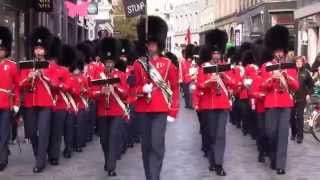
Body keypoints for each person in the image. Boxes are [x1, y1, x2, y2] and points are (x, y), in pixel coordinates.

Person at [132, 16, 180, 180]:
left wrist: (173, 111)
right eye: (148, 43)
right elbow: (131, 89)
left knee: (156, 144)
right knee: (146, 146)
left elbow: (174, 88)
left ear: (158, 44)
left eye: (153, 43)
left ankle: (155, 176)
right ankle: (150, 176)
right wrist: (141, 89)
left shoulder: (167, 64)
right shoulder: (138, 64)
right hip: (143, 109)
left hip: (160, 109)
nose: (151, 46)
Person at [195, 29, 237, 176]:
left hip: (223, 105)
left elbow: (234, 84)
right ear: (210, 54)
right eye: (214, 53)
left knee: (220, 134)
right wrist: (209, 82)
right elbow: (199, 85)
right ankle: (212, 160)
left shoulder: (226, 67)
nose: (216, 56)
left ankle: (219, 164)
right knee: (211, 134)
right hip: (208, 105)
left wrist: (225, 77)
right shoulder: (204, 68)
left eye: (218, 53)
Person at [260, 25, 299, 175]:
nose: (279, 53)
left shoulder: (290, 66)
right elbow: (262, 86)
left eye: (281, 51)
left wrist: (286, 76)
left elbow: (295, 86)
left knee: (283, 134)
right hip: (271, 103)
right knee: (271, 133)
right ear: (273, 51)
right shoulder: (266, 66)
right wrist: (272, 78)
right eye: (276, 51)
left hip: (285, 104)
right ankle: (273, 156)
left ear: (284, 51)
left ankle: (280, 164)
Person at [19, 27, 56, 173]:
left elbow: (54, 84)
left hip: (45, 103)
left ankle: (40, 162)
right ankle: (39, 154)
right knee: (32, 132)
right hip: (30, 103)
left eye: (41, 48)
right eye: (36, 48)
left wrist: (44, 75)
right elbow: (20, 84)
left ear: (45, 51)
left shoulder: (50, 66)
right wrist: (28, 78)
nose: (38, 51)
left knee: (44, 131)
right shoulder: (26, 65)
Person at [93, 37, 129, 177]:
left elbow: (126, 94)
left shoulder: (121, 75)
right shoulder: (98, 75)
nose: (109, 64)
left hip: (116, 111)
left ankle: (112, 166)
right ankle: (108, 159)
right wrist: (100, 92)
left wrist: (117, 88)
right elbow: (91, 93)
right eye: (106, 62)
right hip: (102, 111)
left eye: (111, 61)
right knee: (104, 140)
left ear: (114, 61)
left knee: (114, 137)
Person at [46, 36, 70, 166]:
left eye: (53, 58)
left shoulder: (64, 70)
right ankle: (47, 152)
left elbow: (68, 86)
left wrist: (58, 84)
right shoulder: (43, 68)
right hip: (46, 103)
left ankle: (54, 155)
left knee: (56, 131)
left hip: (60, 104)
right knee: (46, 131)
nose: (52, 61)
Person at [0, 26, 20, 171]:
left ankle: (2, 159)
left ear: (6, 49)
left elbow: (17, 87)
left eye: (1, 48)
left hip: (6, 103)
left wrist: (17, 104)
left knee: (4, 132)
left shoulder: (12, 66)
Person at [290, 56, 314, 144]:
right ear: (295, 63)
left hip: (302, 98)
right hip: (292, 98)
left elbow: (311, 85)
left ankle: (300, 136)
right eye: (297, 62)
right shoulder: (291, 72)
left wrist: (308, 94)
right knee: (291, 117)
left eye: (300, 62)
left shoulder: (306, 73)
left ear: (303, 63)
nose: (299, 63)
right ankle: (293, 133)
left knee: (300, 116)